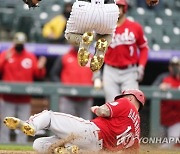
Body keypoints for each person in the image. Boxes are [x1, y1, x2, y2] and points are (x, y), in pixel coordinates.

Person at [23, 0, 159, 72]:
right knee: (106, 36)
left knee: (69, 35)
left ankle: (83, 41)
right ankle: (100, 50)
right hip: (109, 9)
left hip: (84, 7)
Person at [3, 89, 145, 153]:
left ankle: (30, 125)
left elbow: (104, 111)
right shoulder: (137, 128)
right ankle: (67, 150)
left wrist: (96, 109)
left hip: (90, 132)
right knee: (38, 144)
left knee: (49, 116)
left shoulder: (126, 103)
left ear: (130, 98)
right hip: (95, 150)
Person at [94, 0, 149, 102]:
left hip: (130, 71)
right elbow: (98, 51)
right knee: (112, 104)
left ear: (125, 8)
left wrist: (141, 66)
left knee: (130, 104)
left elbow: (144, 48)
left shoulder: (135, 27)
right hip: (110, 70)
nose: (117, 10)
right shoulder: (105, 28)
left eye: (119, 7)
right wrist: (96, 74)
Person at [0, 32, 47, 144]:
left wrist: (41, 68)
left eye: (21, 43)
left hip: (24, 98)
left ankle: (21, 145)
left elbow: (39, 74)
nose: (19, 45)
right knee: (6, 125)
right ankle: (4, 146)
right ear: (14, 43)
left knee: (24, 125)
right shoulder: (7, 54)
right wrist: (4, 60)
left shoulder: (30, 56)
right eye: (17, 43)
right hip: (8, 98)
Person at [50, 46, 93, 120]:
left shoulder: (92, 58)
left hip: (86, 98)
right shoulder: (64, 56)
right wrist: (62, 87)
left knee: (86, 126)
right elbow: (54, 74)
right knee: (66, 125)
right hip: (67, 98)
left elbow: (98, 74)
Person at [152, 56, 180, 149]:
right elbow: (151, 90)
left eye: (177, 65)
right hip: (161, 120)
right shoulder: (163, 77)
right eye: (173, 65)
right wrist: (159, 86)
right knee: (155, 144)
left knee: (170, 145)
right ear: (169, 67)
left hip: (176, 121)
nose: (175, 68)